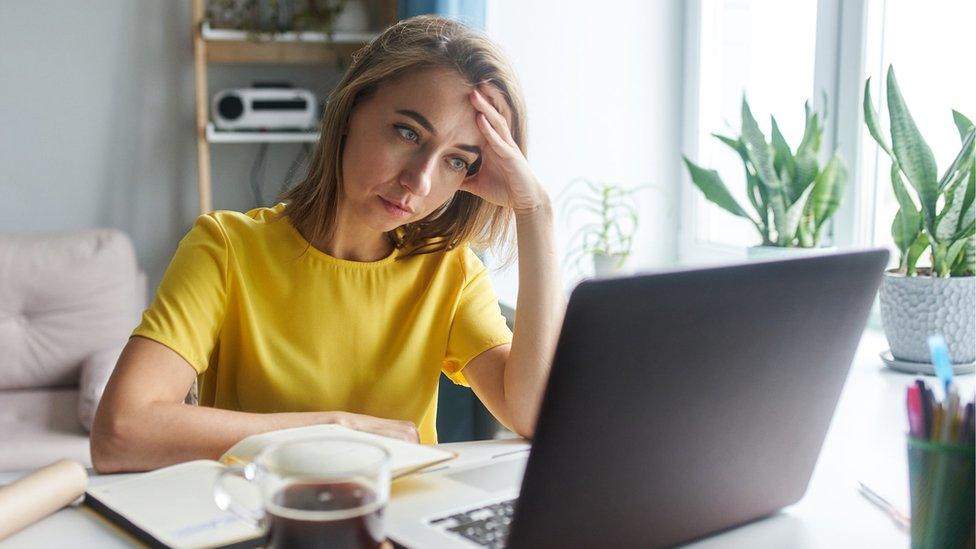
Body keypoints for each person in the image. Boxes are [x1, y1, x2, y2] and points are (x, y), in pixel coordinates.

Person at [90, 15, 564, 473]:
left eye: (456, 161)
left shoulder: (450, 272)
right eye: (408, 133)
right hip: (258, 522)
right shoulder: (226, 249)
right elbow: (120, 432)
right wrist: (335, 430)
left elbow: (533, 416)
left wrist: (536, 213)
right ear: (351, 110)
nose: (418, 181)